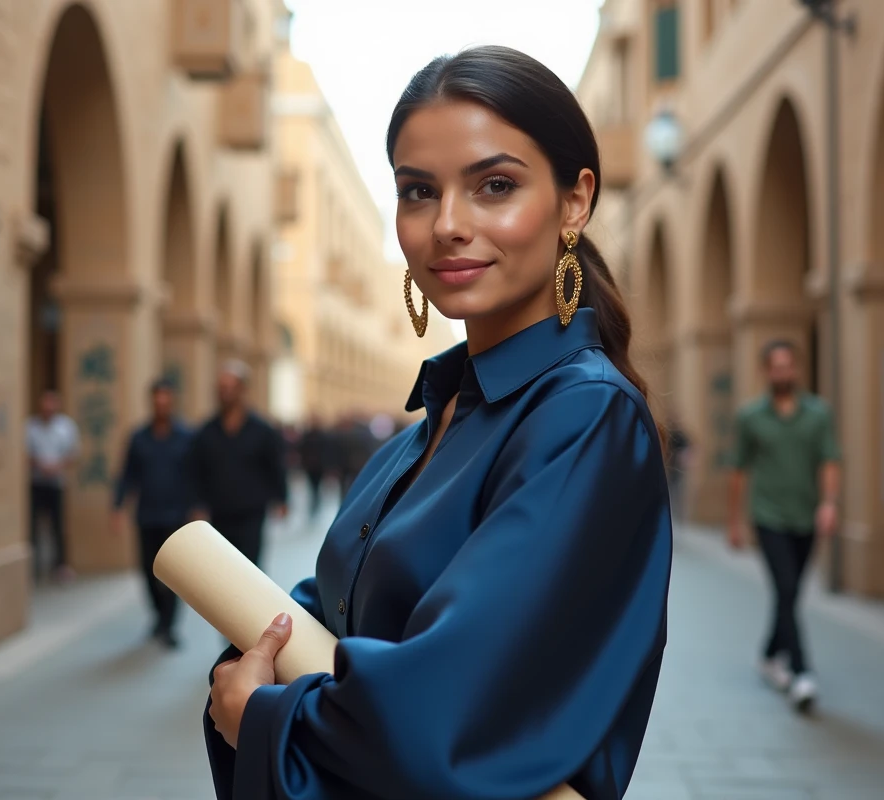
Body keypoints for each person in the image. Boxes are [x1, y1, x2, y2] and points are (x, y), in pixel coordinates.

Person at [203, 46, 673, 800]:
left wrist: (263, 714)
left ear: (575, 202)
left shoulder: (586, 415)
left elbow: (448, 717)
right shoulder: (424, 428)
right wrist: (257, 652)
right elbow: (336, 612)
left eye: (495, 185)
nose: (448, 224)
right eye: (419, 191)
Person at [727, 339, 842, 714]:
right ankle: (801, 672)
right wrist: (734, 522)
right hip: (768, 517)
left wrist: (829, 503)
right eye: (775, 367)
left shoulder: (818, 414)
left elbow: (829, 460)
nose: (782, 372)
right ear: (766, 371)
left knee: (789, 594)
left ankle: (768, 654)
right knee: (787, 587)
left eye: (788, 366)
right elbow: (738, 471)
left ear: (797, 368)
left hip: (805, 516)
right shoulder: (751, 417)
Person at [112, 379, 193, 649]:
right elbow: (127, 475)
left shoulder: (186, 437)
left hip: (177, 516)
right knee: (148, 571)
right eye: (157, 399)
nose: (162, 404)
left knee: (174, 574)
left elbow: (196, 476)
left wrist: (198, 508)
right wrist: (118, 506)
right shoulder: (139, 437)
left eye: (166, 399)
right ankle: (159, 616)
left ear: (172, 401)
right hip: (147, 515)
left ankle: (168, 626)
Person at [186, 360, 289, 567]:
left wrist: (282, 498)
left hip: (252, 513)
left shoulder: (262, 430)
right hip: (218, 513)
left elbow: (275, 466)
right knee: (222, 568)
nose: (225, 393)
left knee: (249, 567)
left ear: (243, 389)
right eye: (221, 388)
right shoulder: (206, 431)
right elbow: (196, 471)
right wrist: (196, 504)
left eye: (230, 387)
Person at [25, 390, 80, 582]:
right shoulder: (30, 427)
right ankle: (33, 567)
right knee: (32, 525)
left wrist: (57, 466)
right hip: (36, 482)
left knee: (58, 525)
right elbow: (24, 453)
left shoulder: (66, 427)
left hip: (57, 483)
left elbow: (73, 453)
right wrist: (39, 465)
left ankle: (60, 565)